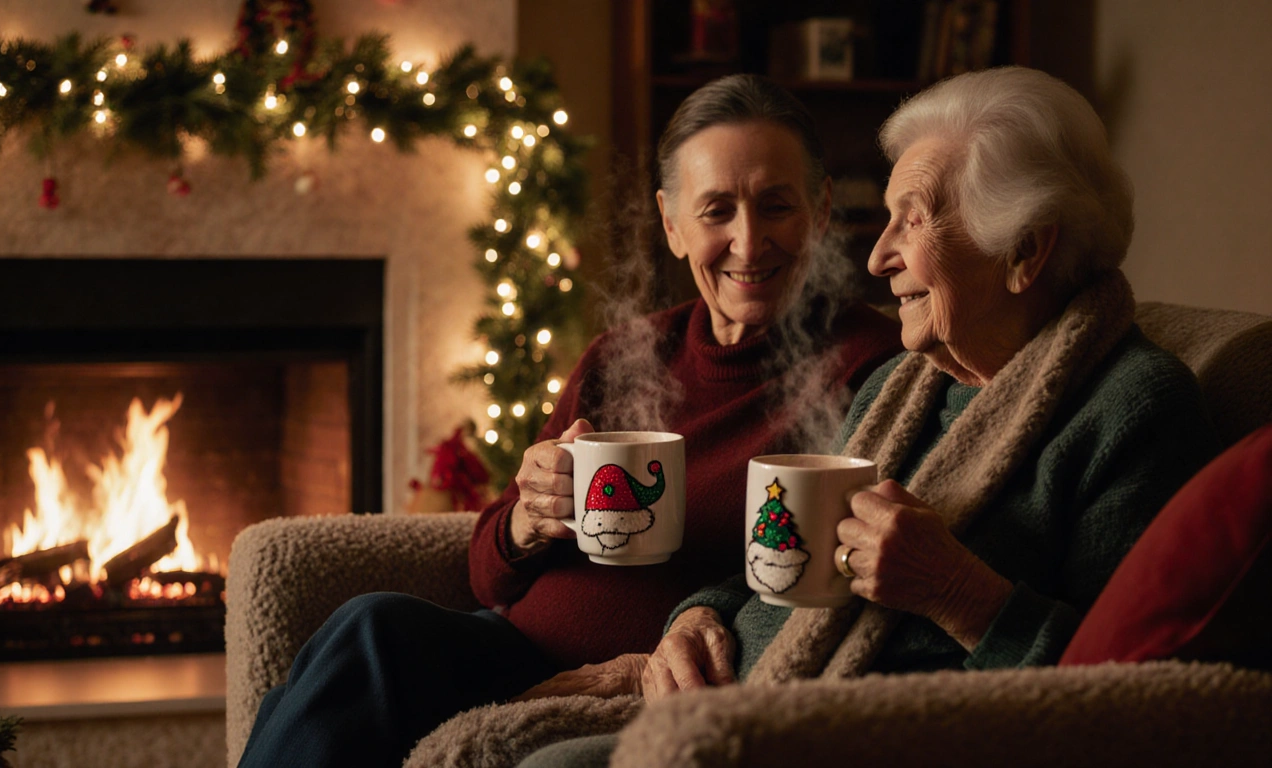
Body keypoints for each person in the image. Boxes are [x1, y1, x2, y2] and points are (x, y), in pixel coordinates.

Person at [514, 65, 1222, 768]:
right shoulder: (900, 386)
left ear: (1024, 249)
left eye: (912, 220)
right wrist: (697, 617)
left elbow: (1137, 692)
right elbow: (790, 569)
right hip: (753, 705)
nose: (879, 257)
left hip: (869, 734)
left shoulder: (1133, 409)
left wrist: (957, 592)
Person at [236, 74, 902, 768]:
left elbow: (834, 586)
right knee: (365, 633)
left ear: (821, 209)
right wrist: (527, 517)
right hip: (512, 654)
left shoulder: (869, 368)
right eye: (716, 211)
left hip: (652, 682)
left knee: (334, 678)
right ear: (672, 224)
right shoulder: (625, 354)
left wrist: (655, 657)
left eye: (776, 205)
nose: (748, 240)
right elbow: (487, 577)